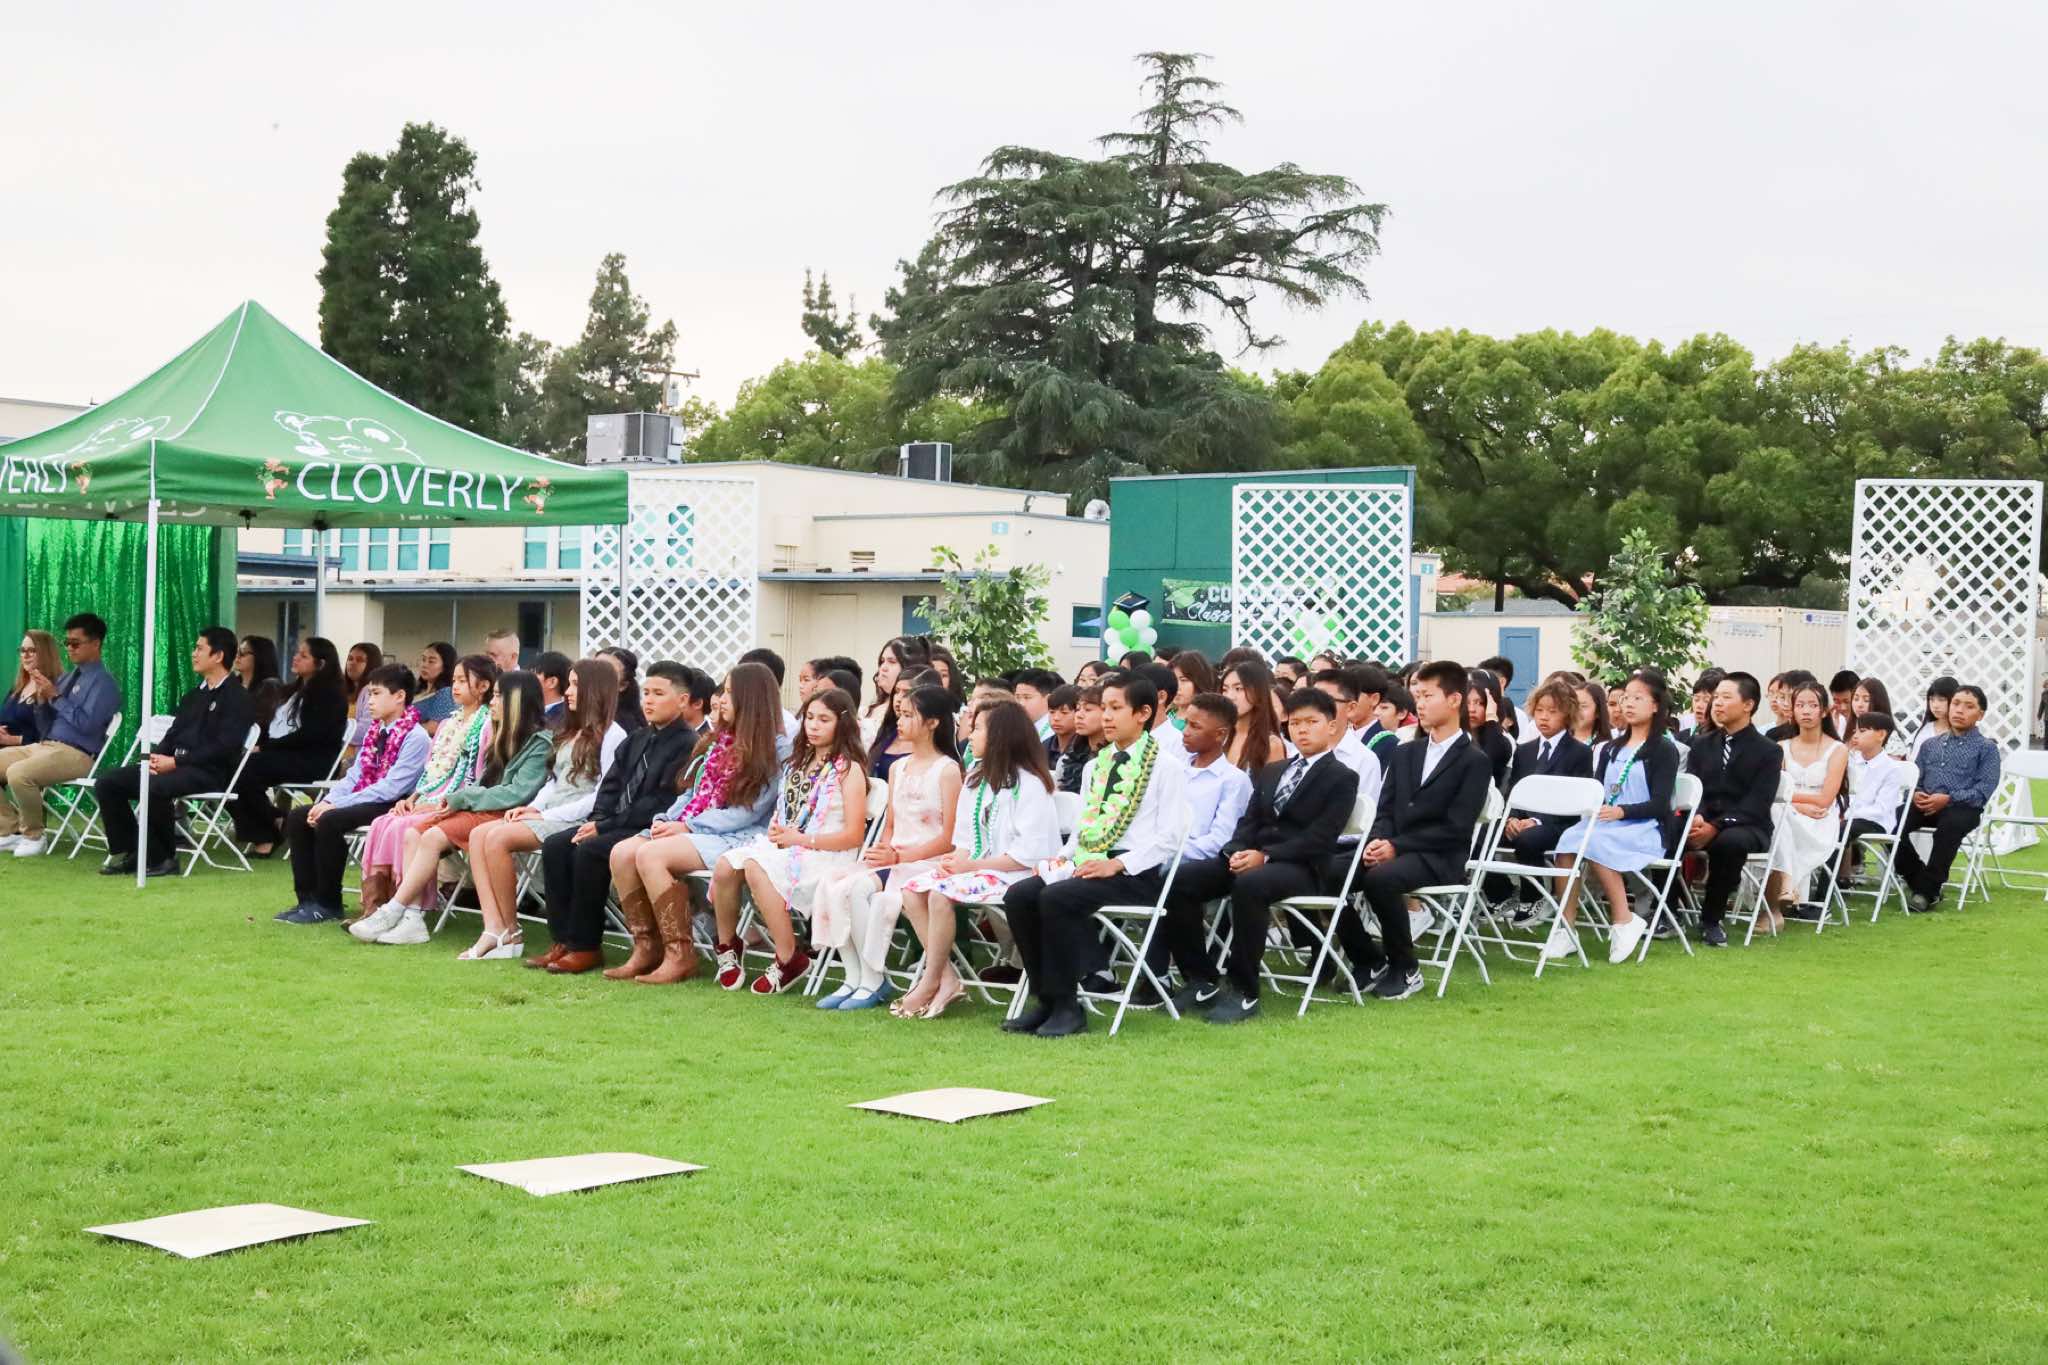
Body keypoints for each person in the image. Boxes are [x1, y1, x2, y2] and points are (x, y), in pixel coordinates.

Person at [1000, 674, 1190, 1038]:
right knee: (1020, 895)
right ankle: (1045, 1000)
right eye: (1103, 707)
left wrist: (1117, 864)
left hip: (1135, 872)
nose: (1106, 716)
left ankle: (1068, 1006)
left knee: (1057, 897)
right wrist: (1061, 859)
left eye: (1116, 708)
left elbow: (1170, 838)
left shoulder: (1167, 767)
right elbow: (1084, 829)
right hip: (1090, 862)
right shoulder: (1095, 766)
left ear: (1143, 713)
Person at [1158, 689, 1358, 1023]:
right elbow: (1249, 821)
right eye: (1296, 723)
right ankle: (1201, 978)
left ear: (1332, 726)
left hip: (1304, 867)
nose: (1302, 729)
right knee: (1180, 880)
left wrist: (1265, 856)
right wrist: (1235, 851)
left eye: (1312, 722)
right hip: (1254, 857)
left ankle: (1244, 990)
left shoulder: (1342, 777)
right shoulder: (1273, 771)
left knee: (1251, 884)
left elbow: (1320, 837)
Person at [350, 671, 554, 948]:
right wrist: (455, 800)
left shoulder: (540, 743)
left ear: (516, 701)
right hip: (481, 807)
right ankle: (412, 919)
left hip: (505, 813)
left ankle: (393, 910)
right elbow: (484, 782)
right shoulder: (502, 735)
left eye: (497, 696)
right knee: (413, 832)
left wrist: (462, 798)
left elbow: (517, 793)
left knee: (432, 837)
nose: (492, 702)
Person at [617, 663, 789, 984]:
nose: (721, 699)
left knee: (651, 855)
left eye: (730, 693)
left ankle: (680, 954)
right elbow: (692, 792)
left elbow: (750, 810)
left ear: (750, 699)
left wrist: (690, 826)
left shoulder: (776, 748)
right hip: (699, 827)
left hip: (740, 835)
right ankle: (646, 947)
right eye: (722, 691)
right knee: (622, 853)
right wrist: (668, 819)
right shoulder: (718, 741)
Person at [890, 698, 1061, 1018]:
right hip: (980, 870)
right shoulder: (976, 780)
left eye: (978, 728)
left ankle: (929, 982)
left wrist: (971, 865)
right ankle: (946, 979)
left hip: (1018, 874)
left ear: (1000, 736)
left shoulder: (1030, 784)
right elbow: (965, 842)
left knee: (940, 896)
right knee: (912, 890)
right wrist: (955, 863)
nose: (970, 735)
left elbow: (1029, 855)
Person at [1333, 662, 1493, 1001]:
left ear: (1454, 700)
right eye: (1417, 696)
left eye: (1428, 696)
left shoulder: (1474, 760)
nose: (1419, 703)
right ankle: (1367, 958)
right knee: (1327, 871)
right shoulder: (1406, 752)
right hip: (1394, 847)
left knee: (1381, 879)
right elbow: (1386, 809)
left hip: (1440, 856)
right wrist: (1378, 841)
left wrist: (1396, 846)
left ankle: (1405, 967)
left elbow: (1456, 828)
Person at [526, 663, 700, 975]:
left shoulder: (687, 743)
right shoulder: (638, 738)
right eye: (646, 693)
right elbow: (610, 786)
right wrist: (597, 820)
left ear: (683, 700)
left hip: (649, 827)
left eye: (659, 694)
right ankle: (562, 941)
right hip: (614, 823)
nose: (649, 700)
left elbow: (661, 801)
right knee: (556, 845)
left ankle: (585, 946)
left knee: (589, 851)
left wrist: (604, 826)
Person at [808, 684, 962, 1006]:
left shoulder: (947, 771)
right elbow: (891, 824)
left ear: (933, 722)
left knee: (857, 890)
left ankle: (874, 979)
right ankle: (854, 977)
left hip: (926, 862)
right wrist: (883, 850)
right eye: (899, 714)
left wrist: (900, 856)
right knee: (835, 883)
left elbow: (948, 839)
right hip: (895, 859)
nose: (900, 722)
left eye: (908, 715)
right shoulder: (897, 767)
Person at [460, 659, 624, 960]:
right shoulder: (570, 730)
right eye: (569, 684)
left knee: (497, 838)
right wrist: (531, 807)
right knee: (478, 834)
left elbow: (602, 795)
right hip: (550, 811)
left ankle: (511, 930)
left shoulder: (613, 734)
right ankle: (494, 927)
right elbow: (553, 781)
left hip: (577, 818)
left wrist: (545, 815)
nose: (568, 691)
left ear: (595, 689)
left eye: (575, 685)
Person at [711, 687, 870, 995]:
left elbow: (854, 835)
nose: (813, 725)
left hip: (827, 852)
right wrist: (778, 829)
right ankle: (728, 947)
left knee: (756, 866)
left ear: (842, 724)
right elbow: (788, 812)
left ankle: (789, 958)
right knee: (725, 866)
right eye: (809, 717)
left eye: (824, 719)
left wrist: (801, 838)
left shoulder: (848, 770)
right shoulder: (798, 762)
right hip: (791, 845)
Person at [94, 627, 253, 877]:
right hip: (176, 765)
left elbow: (225, 747)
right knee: (108, 782)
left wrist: (177, 762)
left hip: (209, 771)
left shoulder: (237, 697)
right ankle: (134, 851)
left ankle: (163, 859)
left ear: (218, 656)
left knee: (155, 787)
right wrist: (156, 758)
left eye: (199, 648)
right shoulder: (193, 696)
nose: (193, 654)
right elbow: (172, 735)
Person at [275, 665, 429, 923]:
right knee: (299, 816)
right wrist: (328, 800)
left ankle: (328, 903)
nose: (369, 702)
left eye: (376, 694)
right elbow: (354, 776)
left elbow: (392, 788)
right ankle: (307, 900)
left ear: (399, 696)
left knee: (330, 820)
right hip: (365, 797)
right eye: (369, 694)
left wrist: (335, 806)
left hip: (393, 804)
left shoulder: (416, 737)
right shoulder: (375, 732)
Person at [1545, 669, 1678, 963]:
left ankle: (1623, 919)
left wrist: (1622, 811)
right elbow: (1598, 791)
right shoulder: (1610, 749)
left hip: (1644, 827)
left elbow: (1660, 804)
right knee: (1568, 841)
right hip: (1607, 823)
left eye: (1638, 698)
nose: (1628, 704)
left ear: (1655, 706)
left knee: (1595, 842)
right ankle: (1565, 928)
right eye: (1625, 698)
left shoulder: (1663, 749)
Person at [1132, 691, 1254, 1010]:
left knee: (1172, 881)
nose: (1185, 732)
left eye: (1195, 727)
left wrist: (1169, 851)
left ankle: (1196, 976)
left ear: (1220, 734)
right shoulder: (1173, 770)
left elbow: (1220, 840)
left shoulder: (1233, 780)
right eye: (1186, 723)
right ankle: (1147, 974)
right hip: (1167, 856)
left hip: (1212, 863)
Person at [350, 655, 496, 917]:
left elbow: (477, 778)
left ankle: (407, 907)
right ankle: (376, 905)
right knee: (384, 822)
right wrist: (413, 798)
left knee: (406, 826)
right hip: (429, 797)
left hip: (456, 803)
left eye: (463, 681)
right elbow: (430, 772)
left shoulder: (486, 726)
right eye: (454, 680)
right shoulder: (447, 724)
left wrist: (438, 803)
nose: (455, 686)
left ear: (484, 686)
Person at [0, 616, 119, 860]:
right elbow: (46, 726)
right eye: (67, 643)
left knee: (19, 773)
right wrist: (41, 702)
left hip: (78, 753)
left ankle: (34, 836)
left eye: (76, 643)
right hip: (46, 745)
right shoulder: (66, 679)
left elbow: (86, 725)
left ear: (95, 643)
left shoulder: (104, 683)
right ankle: (9, 829)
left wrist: (55, 697)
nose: (70, 648)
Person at [1683, 672, 1782, 947]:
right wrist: (1698, 816)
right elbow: (1694, 787)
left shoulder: (1768, 751)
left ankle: (1711, 920)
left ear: (1748, 705)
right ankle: (1665, 910)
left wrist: (1716, 826)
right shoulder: (1701, 745)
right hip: (1704, 820)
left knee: (1729, 842)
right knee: (1666, 830)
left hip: (1747, 825)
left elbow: (1757, 803)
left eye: (1726, 697)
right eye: (1716, 697)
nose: (1716, 703)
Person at [229, 636, 348, 854]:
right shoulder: (293, 690)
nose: (295, 658)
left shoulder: (330, 696)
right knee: (228, 767)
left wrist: (265, 748)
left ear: (320, 664)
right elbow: (274, 727)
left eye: (303, 655)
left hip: (312, 760)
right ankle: (274, 819)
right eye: (297, 653)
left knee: (244, 770)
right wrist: (259, 745)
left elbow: (311, 735)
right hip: (287, 754)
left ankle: (267, 833)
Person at [1891, 684, 2000, 912]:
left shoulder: (1987, 748)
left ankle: (1925, 892)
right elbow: (1916, 778)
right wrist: (1916, 793)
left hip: (1963, 808)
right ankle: (1921, 881)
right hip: (1925, 803)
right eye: (1956, 704)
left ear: (1980, 715)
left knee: (1949, 826)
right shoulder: (1930, 745)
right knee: (1890, 821)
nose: (1959, 710)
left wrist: (1948, 799)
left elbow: (1983, 791)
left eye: (1968, 706)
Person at [1499, 678, 1595, 925]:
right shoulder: (1525, 750)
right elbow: (1514, 791)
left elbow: (1576, 801)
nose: (1544, 717)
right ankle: (1498, 893)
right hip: (1521, 821)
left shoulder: (1580, 753)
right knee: (1481, 834)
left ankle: (1533, 895)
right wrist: (1512, 819)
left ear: (1567, 714)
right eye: (1540, 710)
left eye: (1552, 711)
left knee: (1528, 839)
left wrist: (1536, 821)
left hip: (1559, 824)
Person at [1761, 679, 1848, 928]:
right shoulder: (1781, 747)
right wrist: (1796, 806)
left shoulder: (1837, 750)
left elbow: (1825, 799)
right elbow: (1772, 792)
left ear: (1824, 711)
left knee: (1778, 812)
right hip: (1788, 813)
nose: (1806, 711)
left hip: (1819, 819)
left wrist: (1790, 803)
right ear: (1793, 710)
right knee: (1777, 812)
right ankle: (1786, 885)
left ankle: (1782, 888)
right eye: (1800, 705)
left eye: (1812, 705)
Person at [1840, 712, 1907, 884]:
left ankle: (1827, 888)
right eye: (1855, 731)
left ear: (1881, 735)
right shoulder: (1849, 761)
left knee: (1840, 830)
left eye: (1862, 731)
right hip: (1847, 817)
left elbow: (1881, 809)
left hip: (1875, 821)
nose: (1856, 736)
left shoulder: (1891, 769)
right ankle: (1836, 880)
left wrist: (1847, 815)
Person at [863, 636, 928, 748]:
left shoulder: (918, 713)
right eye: (882, 661)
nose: (883, 668)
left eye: (892, 662)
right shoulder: (866, 710)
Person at [1220, 660, 1285, 773]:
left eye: (1238, 689)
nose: (1230, 696)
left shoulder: (1270, 744)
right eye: (1225, 689)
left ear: (1257, 691)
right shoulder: (1220, 735)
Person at [0, 630, 59, 749]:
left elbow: (51, 735)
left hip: (28, 753)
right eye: (22, 650)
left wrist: (14, 739)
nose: (25, 655)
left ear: (46, 654)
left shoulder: (54, 688)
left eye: (32, 650)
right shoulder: (17, 687)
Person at [1464, 667, 1516, 790]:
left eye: (1480, 703)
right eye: (1467, 702)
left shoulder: (1501, 739)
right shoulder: (1455, 734)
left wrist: (1491, 718)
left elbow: (1483, 767)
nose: (1471, 709)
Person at [1476, 654, 1535, 736]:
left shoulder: (1519, 716)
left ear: (1502, 682)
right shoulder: (1476, 709)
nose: (1479, 685)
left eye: (1484, 680)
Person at [234, 635, 283, 730]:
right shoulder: (232, 684)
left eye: (243, 653)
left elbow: (261, 722)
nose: (237, 656)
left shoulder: (270, 686)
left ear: (260, 656)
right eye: (238, 652)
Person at [342, 642, 384, 748]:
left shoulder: (372, 692)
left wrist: (331, 726)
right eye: (350, 659)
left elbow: (365, 732)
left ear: (372, 664)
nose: (352, 663)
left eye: (360, 660)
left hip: (356, 756)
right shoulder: (342, 689)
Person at [596, 646, 645, 733]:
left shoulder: (620, 729)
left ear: (622, 686)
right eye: (593, 668)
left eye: (606, 673)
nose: (595, 676)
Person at [412, 642, 458, 731]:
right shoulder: (417, 689)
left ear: (445, 666)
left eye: (431, 661)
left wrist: (402, 731)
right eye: (423, 659)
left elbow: (433, 728)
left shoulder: (446, 694)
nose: (424, 665)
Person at [1910, 677, 1958, 759]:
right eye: (1931, 699)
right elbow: (1914, 760)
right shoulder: (1925, 729)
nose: (1935, 705)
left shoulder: (1962, 732)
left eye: (1941, 700)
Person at [1012, 669, 1062, 742]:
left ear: (1048, 699)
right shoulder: (1016, 726)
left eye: (1027, 697)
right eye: (1017, 697)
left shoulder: (1056, 730)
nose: (1021, 703)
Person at [1680, 669, 1726, 740]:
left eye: (1706, 701)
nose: (1699, 705)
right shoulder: (1683, 735)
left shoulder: (1726, 737)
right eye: (1696, 699)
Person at [531, 651, 572, 731]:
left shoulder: (564, 720)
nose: (528, 679)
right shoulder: (530, 711)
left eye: (534, 674)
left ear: (552, 682)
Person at [1828, 669, 1860, 740]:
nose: (1843, 708)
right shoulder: (1832, 721)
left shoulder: (1869, 724)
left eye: (1847, 701)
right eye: (1837, 702)